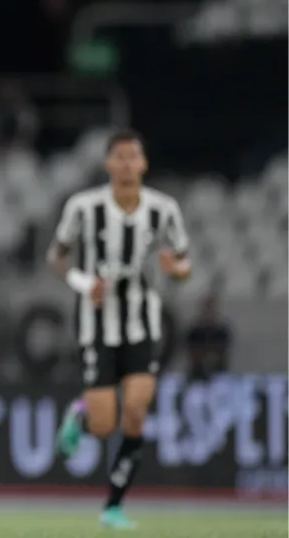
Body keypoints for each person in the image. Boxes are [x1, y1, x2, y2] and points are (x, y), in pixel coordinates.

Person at [47, 129, 191, 530]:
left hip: (142, 323)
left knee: (137, 409)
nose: (128, 164)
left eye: (134, 157)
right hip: (97, 326)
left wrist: (176, 270)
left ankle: (113, 505)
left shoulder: (164, 209)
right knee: (105, 423)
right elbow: (56, 256)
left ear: (144, 164)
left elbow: (183, 262)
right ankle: (80, 415)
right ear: (109, 164)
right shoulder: (83, 207)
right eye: (120, 157)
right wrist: (81, 283)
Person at [185, 294, 232, 382]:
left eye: (210, 308)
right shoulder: (194, 333)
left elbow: (222, 354)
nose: (208, 312)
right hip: (196, 378)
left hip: (219, 379)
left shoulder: (221, 332)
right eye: (206, 308)